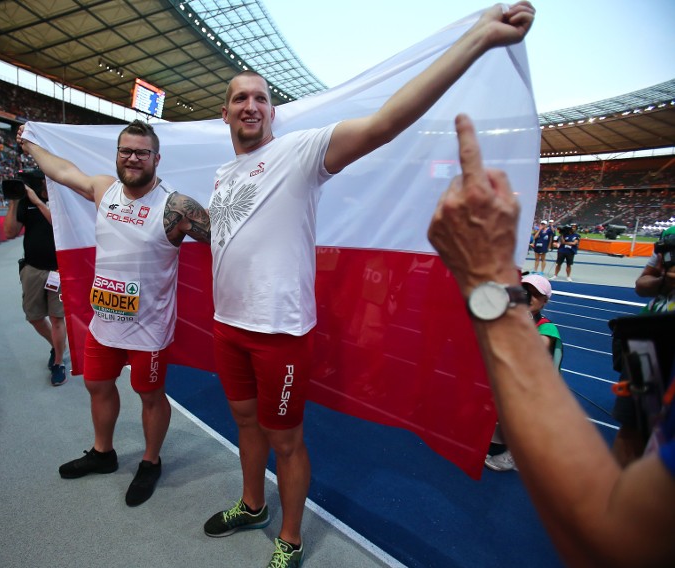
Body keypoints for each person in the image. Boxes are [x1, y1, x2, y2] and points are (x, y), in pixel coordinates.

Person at [202, 3, 535, 566]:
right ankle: (252, 503)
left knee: (285, 440)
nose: (251, 105)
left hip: (278, 332)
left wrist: (478, 39)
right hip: (226, 326)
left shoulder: (300, 151)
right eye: (241, 98)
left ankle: (289, 538)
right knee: (243, 422)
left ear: (273, 113)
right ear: (226, 112)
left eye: (260, 98)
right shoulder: (222, 174)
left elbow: (385, 122)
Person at [428, 113, 675, 568]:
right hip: (652, 364)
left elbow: (616, 539)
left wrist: (488, 281)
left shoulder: (546, 328)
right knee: (633, 442)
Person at [18, 120, 211, 506]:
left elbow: (227, 238)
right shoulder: (104, 189)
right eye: (126, 150)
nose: (133, 157)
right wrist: (30, 146)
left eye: (142, 152)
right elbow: (63, 171)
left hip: (149, 329)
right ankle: (103, 453)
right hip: (104, 323)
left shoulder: (177, 207)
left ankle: (150, 461)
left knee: (150, 395)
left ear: (157, 158)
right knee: (97, 387)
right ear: (117, 155)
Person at [611, 225, 675, 466]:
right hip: (650, 338)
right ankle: (615, 495)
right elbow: (641, 285)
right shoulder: (670, 235)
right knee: (634, 421)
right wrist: (662, 281)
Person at [485, 272, 562, 472]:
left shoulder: (547, 328)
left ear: (545, 301)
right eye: (525, 291)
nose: (528, 297)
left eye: (535, 294)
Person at [2, 168, 68, 387]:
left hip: (60, 271)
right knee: (34, 317)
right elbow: (10, 232)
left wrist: (37, 202)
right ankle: (55, 346)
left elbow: (59, 227)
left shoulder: (62, 198)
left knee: (58, 318)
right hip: (32, 269)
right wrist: (14, 202)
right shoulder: (25, 202)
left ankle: (58, 363)